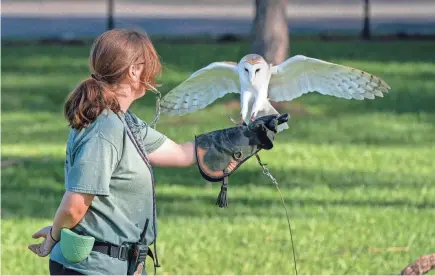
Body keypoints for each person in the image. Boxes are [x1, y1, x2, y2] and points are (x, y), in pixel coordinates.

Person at [27, 28, 287, 275]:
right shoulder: (104, 129)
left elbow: (181, 153)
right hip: (91, 268)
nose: (154, 73)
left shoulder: (124, 121)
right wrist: (54, 236)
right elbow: (75, 206)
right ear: (133, 71)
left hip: (121, 266)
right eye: (149, 64)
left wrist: (249, 135)